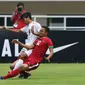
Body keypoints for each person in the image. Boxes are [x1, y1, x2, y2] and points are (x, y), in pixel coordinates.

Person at [3, 12, 42, 78]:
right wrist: (7, 29)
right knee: (12, 66)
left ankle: (12, 74)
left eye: (23, 20)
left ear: (27, 18)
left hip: (32, 48)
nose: (23, 22)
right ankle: (25, 73)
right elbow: (18, 30)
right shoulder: (27, 26)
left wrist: (34, 33)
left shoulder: (36, 25)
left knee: (21, 56)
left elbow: (42, 35)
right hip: (26, 47)